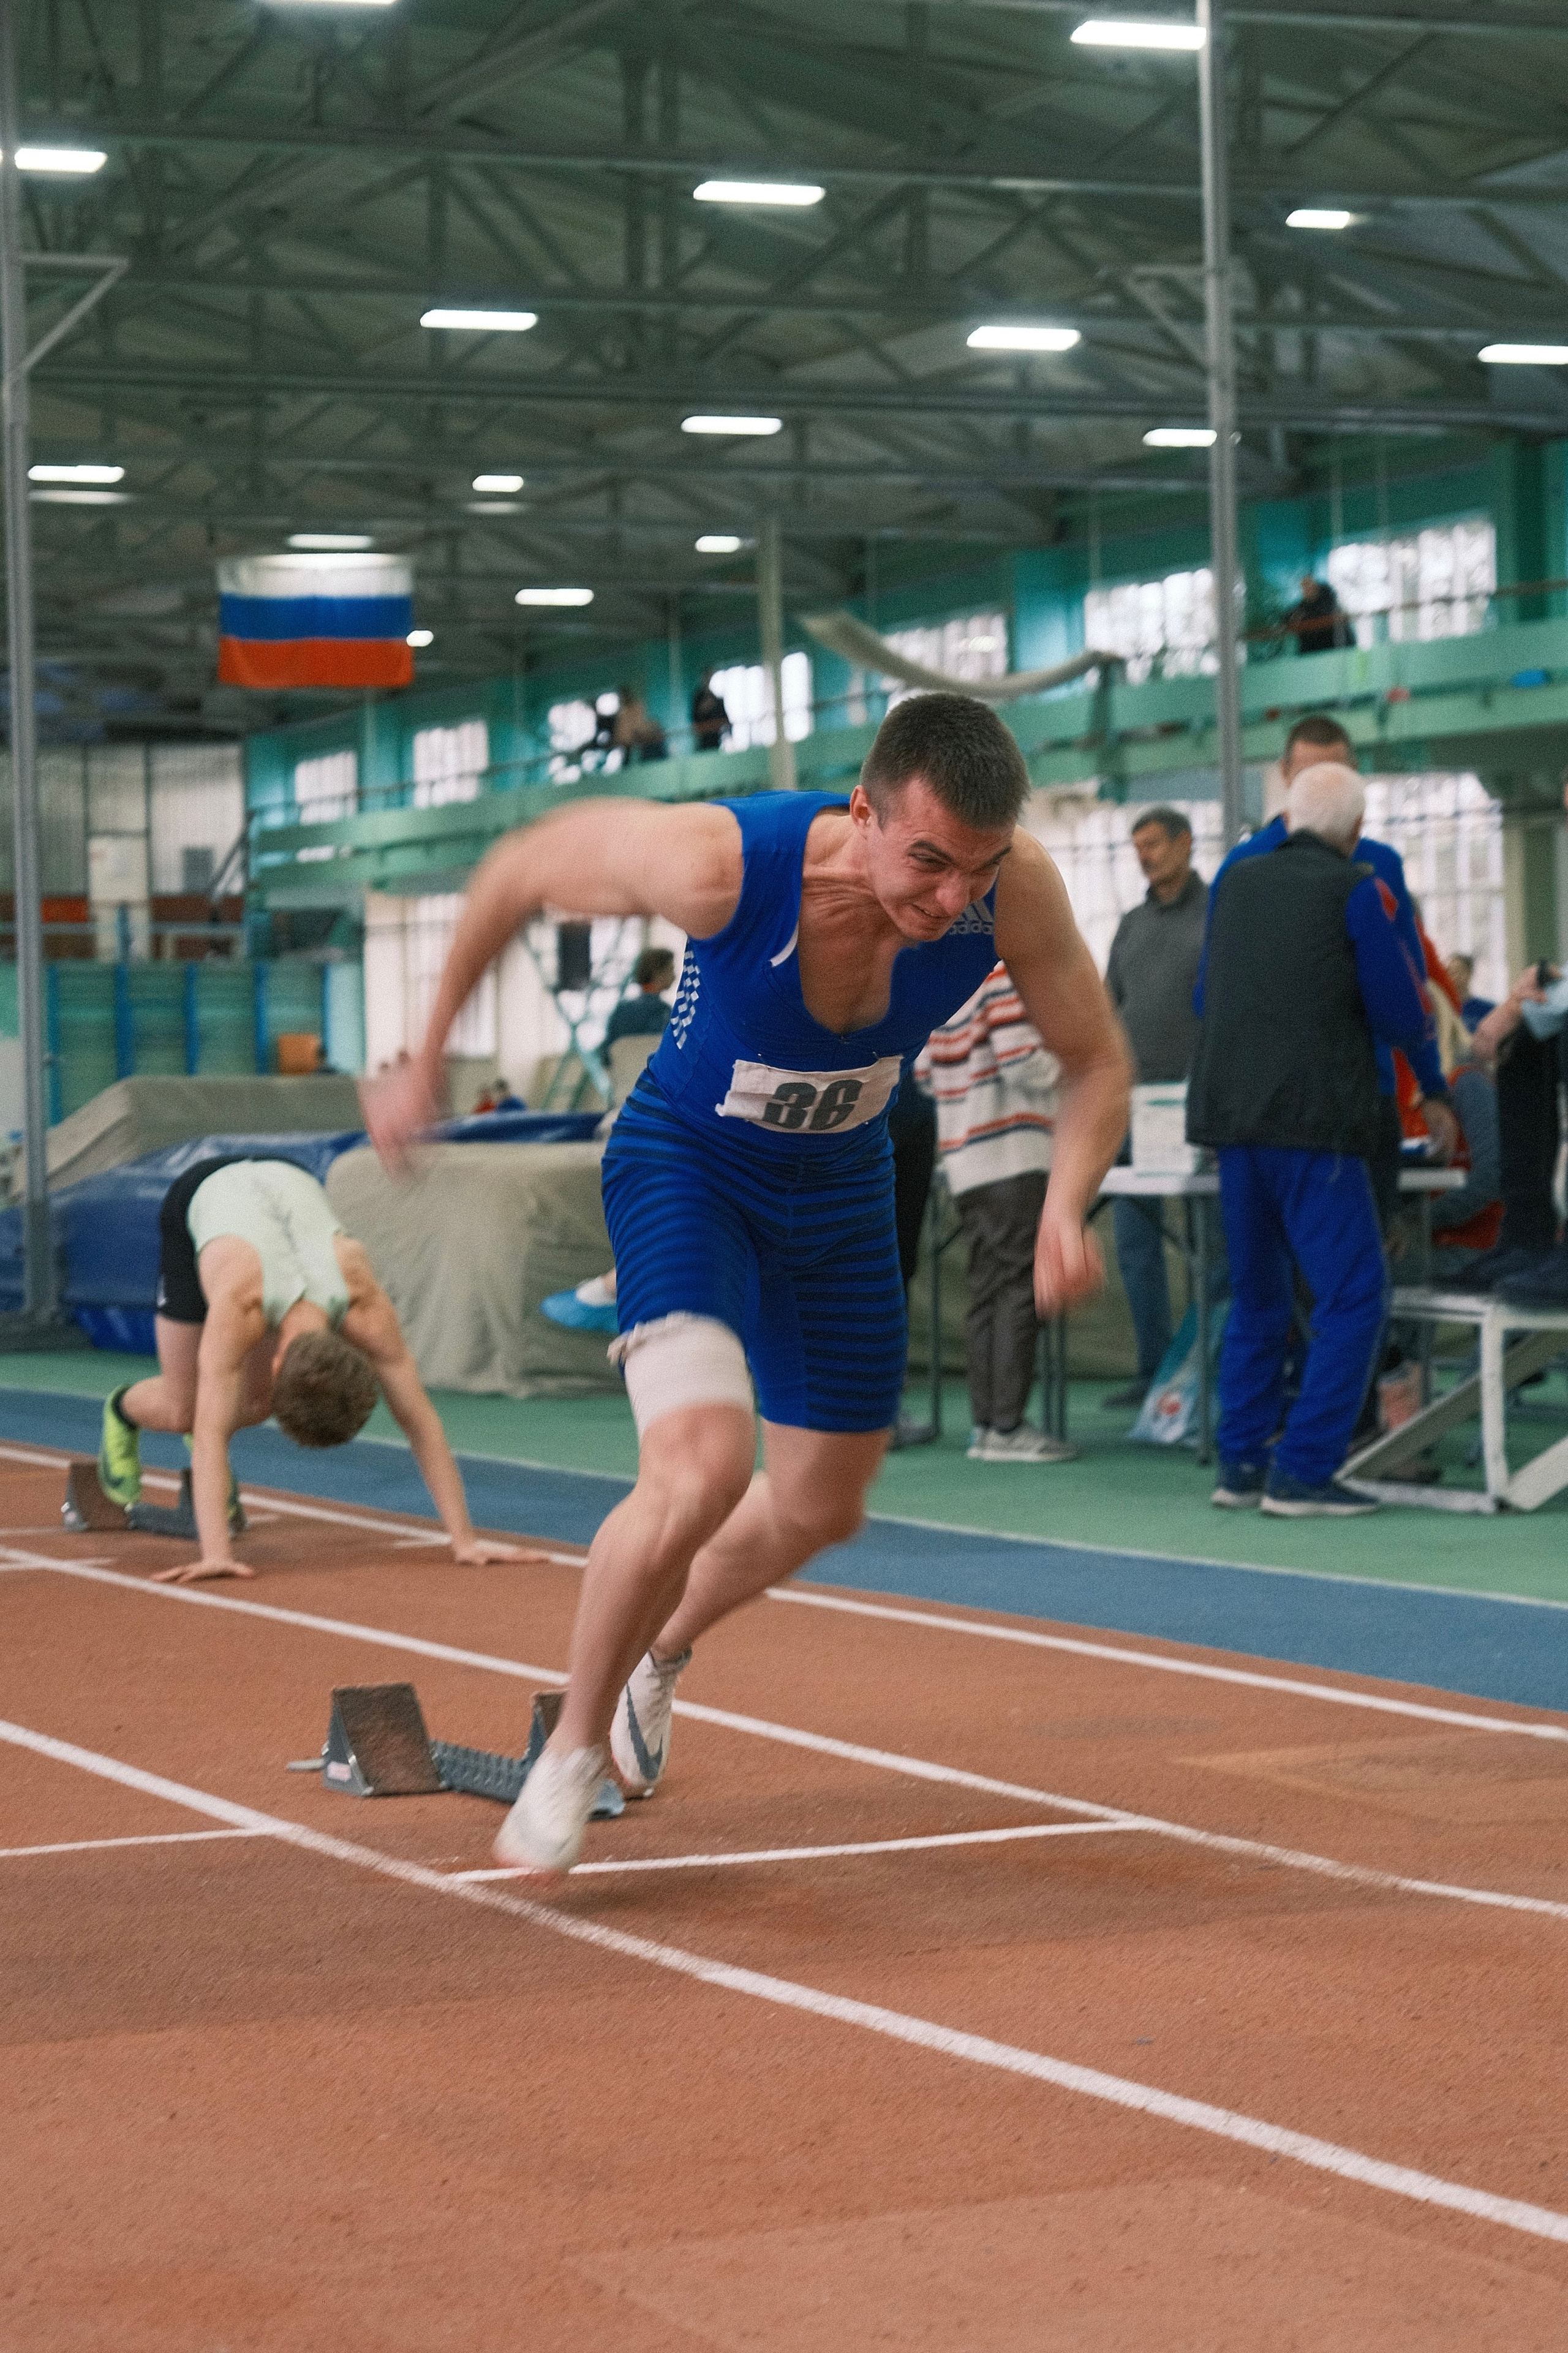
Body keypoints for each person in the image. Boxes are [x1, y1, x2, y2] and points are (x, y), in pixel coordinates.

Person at [364, 692, 1131, 1876]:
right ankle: (568, 1753)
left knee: (823, 1504)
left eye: (971, 876)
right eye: (925, 863)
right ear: (863, 811)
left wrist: (1066, 1202)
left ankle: (658, 1656)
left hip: (839, 1189)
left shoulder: (1011, 891)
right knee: (705, 1467)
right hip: (688, 1166)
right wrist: (424, 1055)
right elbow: (518, 868)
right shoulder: (724, 861)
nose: (945, 904)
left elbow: (1097, 1060)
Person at [1188, 763, 1431, 1517]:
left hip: (1232, 1126)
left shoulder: (1235, 885)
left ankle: (1241, 1465)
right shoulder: (1355, 888)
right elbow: (1401, 1012)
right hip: (1314, 1125)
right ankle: (1302, 1470)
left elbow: (1203, 997)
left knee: (1258, 1298)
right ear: (1355, 831)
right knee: (1355, 1295)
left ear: (1287, 818)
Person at [97, 1156, 526, 1584]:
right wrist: (216, 1554)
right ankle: (121, 1410)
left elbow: (420, 1421)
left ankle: (213, 1462)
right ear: (280, 1361)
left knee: (251, 1400)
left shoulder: (365, 1303)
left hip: (285, 1177)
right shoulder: (238, 1306)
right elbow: (210, 1433)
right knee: (187, 1411)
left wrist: (464, 1539)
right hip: (201, 1194)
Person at [1200, 712, 1458, 1229]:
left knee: (1367, 1259)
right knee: (1304, 1281)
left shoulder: (1378, 866)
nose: (1325, 790)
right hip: (1266, 1107)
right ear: (1285, 777)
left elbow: (1411, 989)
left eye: (1337, 776)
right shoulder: (1240, 870)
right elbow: (1211, 995)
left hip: (1362, 1099)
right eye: (1311, 777)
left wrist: (1432, 1087)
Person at [920, 964, 1075, 1462]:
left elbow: (922, 1072)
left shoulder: (943, 982)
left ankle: (988, 1424)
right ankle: (1008, 1425)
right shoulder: (1004, 975)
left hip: (963, 1159)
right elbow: (1020, 1059)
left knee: (987, 1290)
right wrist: (1079, 1066)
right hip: (1013, 1155)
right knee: (1017, 1290)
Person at [1102, 804, 1209, 1409]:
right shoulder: (1130, 925)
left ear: (1184, 843)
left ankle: (1201, 1371)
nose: (1145, 854)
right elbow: (1106, 1002)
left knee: (1209, 1243)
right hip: (1132, 1106)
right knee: (1135, 1243)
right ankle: (1152, 1371)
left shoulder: (1220, 916)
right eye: (1137, 845)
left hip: (1197, 1107)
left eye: (1153, 843)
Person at [603, 945, 677, 1046]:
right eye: (671, 969)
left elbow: (609, 1048)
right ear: (658, 974)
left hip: (623, 1061)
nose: (675, 976)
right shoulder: (663, 1011)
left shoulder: (622, 1009)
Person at [1281, 575, 1353, 657]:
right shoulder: (1303, 607)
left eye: (1309, 585)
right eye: (1304, 587)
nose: (1306, 589)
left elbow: (1326, 615)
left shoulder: (1329, 600)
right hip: (1311, 655)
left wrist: (1303, 618)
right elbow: (1286, 618)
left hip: (1334, 651)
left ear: (1315, 586)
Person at [1446, 951, 1494, 1033]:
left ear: (1469, 973)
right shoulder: (1443, 1009)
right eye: (1449, 971)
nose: (1453, 976)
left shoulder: (1488, 1010)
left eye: (1458, 971)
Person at [691, 671, 731, 753]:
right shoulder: (698, 697)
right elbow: (695, 716)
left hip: (716, 735)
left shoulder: (717, 698)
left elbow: (724, 717)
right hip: (704, 736)